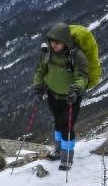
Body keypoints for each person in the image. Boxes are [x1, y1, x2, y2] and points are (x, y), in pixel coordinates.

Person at [31, 23, 90, 171]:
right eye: (52, 41)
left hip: (70, 98)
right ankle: (58, 150)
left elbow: (82, 76)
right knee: (58, 122)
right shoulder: (47, 53)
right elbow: (40, 71)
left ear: (65, 41)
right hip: (53, 94)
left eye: (57, 42)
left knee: (67, 127)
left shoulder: (76, 56)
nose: (54, 44)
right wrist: (38, 87)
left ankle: (67, 158)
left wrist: (76, 91)